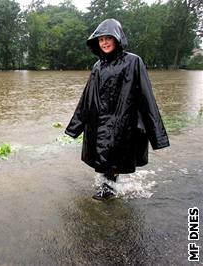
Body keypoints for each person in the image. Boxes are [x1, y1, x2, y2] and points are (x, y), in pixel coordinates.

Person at [65, 18, 170, 201]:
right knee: (104, 157)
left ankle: (108, 191)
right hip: (100, 121)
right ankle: (108, 188)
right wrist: (75, 127)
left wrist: (157, 135)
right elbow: (87, 98)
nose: (104, 42)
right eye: (100, 39)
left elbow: (146, 97)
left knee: (113, 157)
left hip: (123, 121)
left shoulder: (133, 62)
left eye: (108, 38)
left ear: (117, 38)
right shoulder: (98, 66)